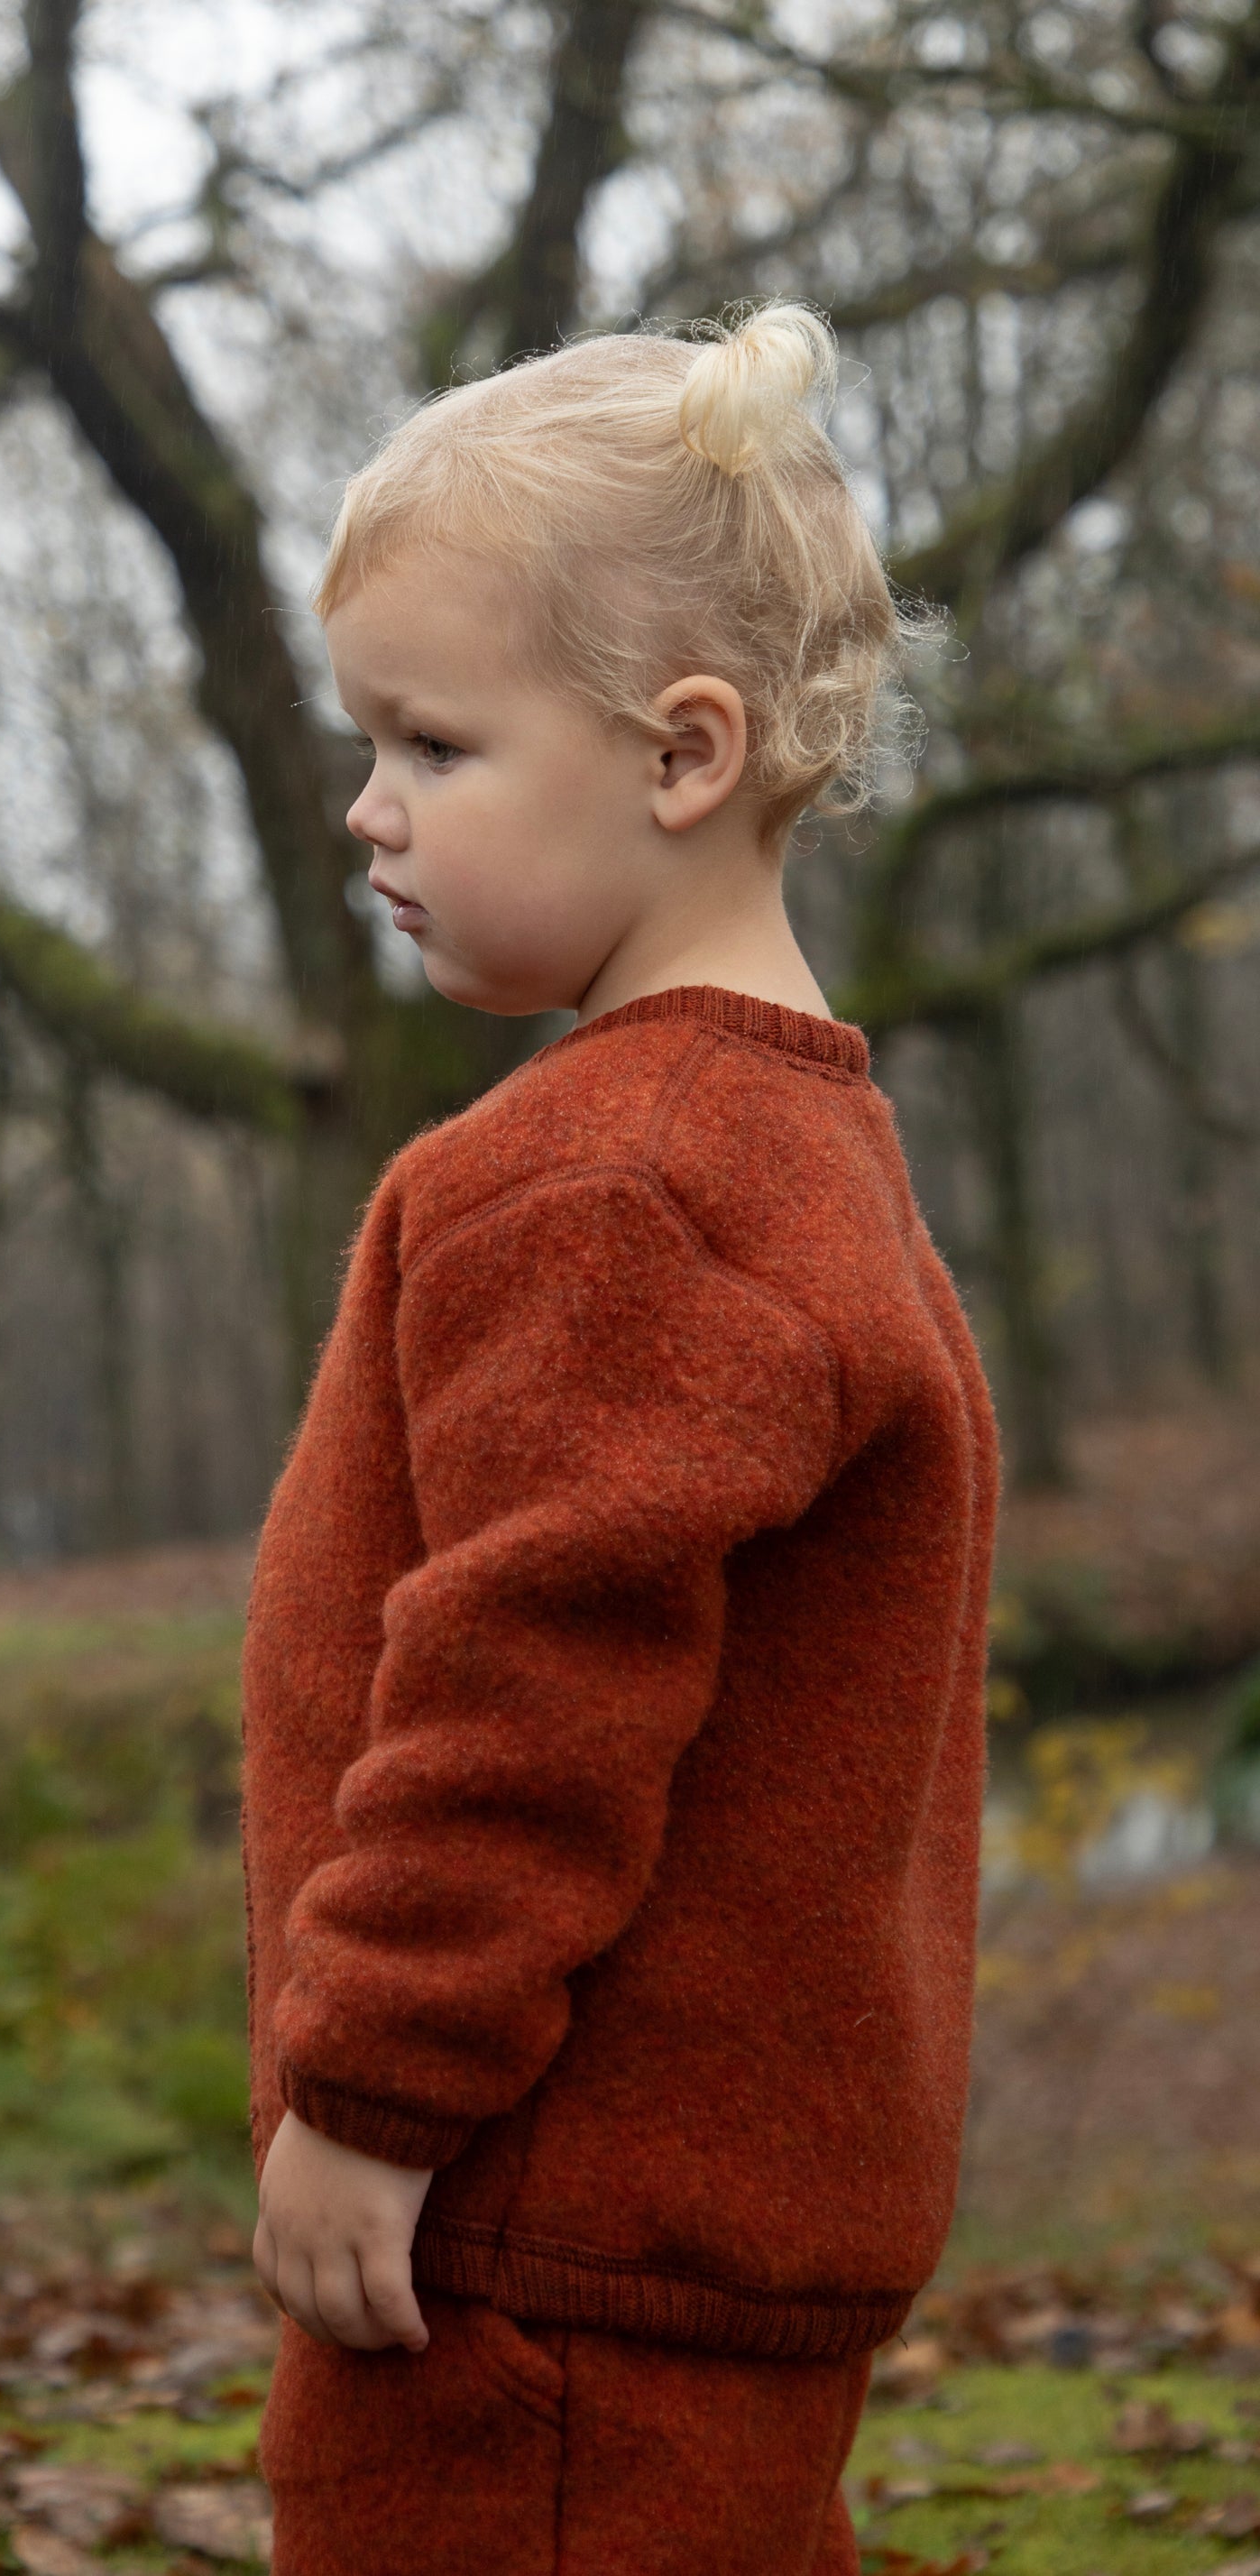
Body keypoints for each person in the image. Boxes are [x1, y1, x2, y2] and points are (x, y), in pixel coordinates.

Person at [240, 304, 998, 2576]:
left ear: (683, 753)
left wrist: (371, 2095)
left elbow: (526, 1699)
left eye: (431, 743)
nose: (367, 809)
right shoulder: (790, 1154)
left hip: (534, 2232)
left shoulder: (613, 1182)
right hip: (691, 2231)